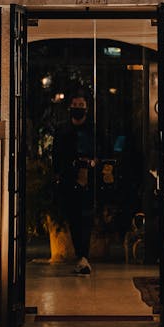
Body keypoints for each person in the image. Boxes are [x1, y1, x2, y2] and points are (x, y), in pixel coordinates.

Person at [52, 91, 97, 273]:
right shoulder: (62, 131)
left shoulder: (92, 130)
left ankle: (83, 256)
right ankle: (81, 255)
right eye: (76, 106)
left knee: (86, 219)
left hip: (89, 180)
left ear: (86, 108)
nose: (78, 109)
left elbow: (101, 149)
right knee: (74, 219)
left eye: (81, 106)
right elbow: (57, 155)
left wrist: (92, 163)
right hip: (69, 181)